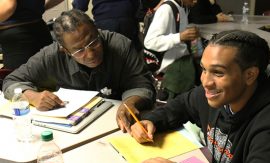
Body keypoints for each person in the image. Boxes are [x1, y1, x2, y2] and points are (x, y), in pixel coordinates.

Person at [130, 30, 270, 163]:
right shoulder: (217, 94)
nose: (206, 82)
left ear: (250, 75)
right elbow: (183, 105)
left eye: (218, 72)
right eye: (204, 69)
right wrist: (152, 121)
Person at [2, 9, 156, 133]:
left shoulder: (120, 46)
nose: (90, 54)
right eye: (79, 50)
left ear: (97, 30)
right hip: (72, 131)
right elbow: (11, 81)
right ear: (66, 51)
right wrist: (32, 96)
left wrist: (130, 102)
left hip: (118, 126)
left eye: (93, 42)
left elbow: (143, 85)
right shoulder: (50, 56)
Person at [0, 0, 64, 70]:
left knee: (19, 79)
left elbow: (8, 6)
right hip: (38, 29)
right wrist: (35, 9)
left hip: (18, 40)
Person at [72, 0, 141, 51]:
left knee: (106, 57)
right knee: (131, 53)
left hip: (104, 21)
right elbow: (137, 4)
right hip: (127, 20)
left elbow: (80, 6)